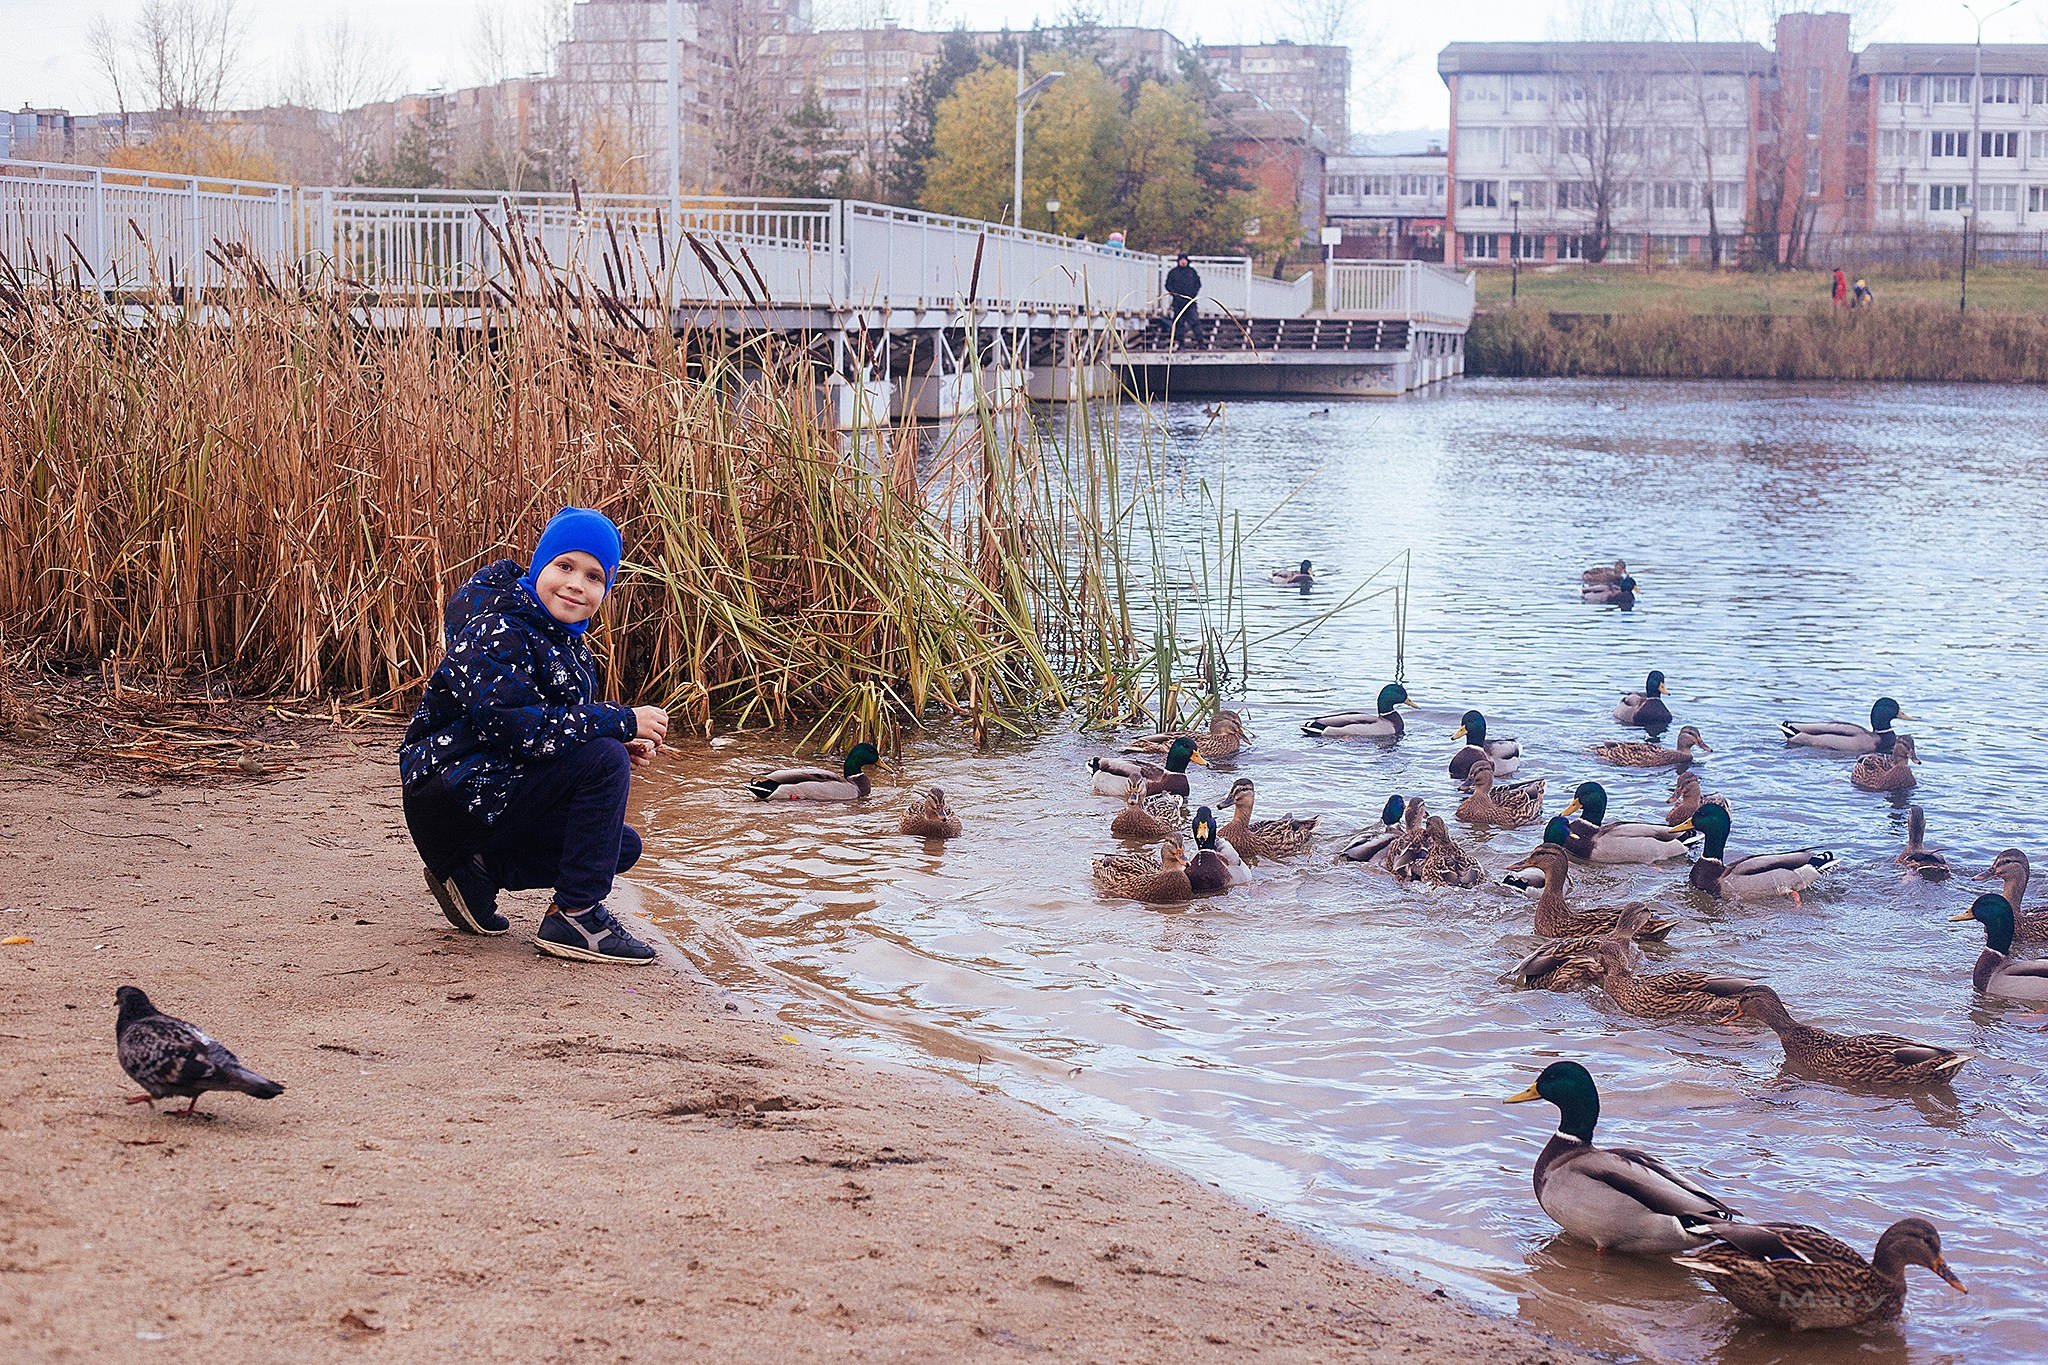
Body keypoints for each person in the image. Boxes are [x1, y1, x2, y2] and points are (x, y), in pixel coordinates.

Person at [398, 507, 669, 965]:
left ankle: (477, 873)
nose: (576, 584)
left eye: (594, 577)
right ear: (539, 565)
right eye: (564, 566)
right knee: (604, 757)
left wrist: (607, 743)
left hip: (486, 795)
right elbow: (516, 728)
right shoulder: (497, 627)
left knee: (618, 845)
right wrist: (618, 723)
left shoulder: (569, 648)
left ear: (606, 590)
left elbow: (547, 732)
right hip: (447, 797)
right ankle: (576, 916)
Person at [1165, 252, 1202, 348]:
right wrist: (1175, 295)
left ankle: (1201, 342)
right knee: (1179, 323)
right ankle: (1180, 343)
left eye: (1184, 260)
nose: (1183, 262)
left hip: (1190, 301)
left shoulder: (1192, 272)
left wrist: (1193, 295)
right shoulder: (1173, 272)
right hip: (1178, 302)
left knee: (1195, 322)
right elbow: (1168, 285)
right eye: (1181, 260)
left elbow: (1198, 284)